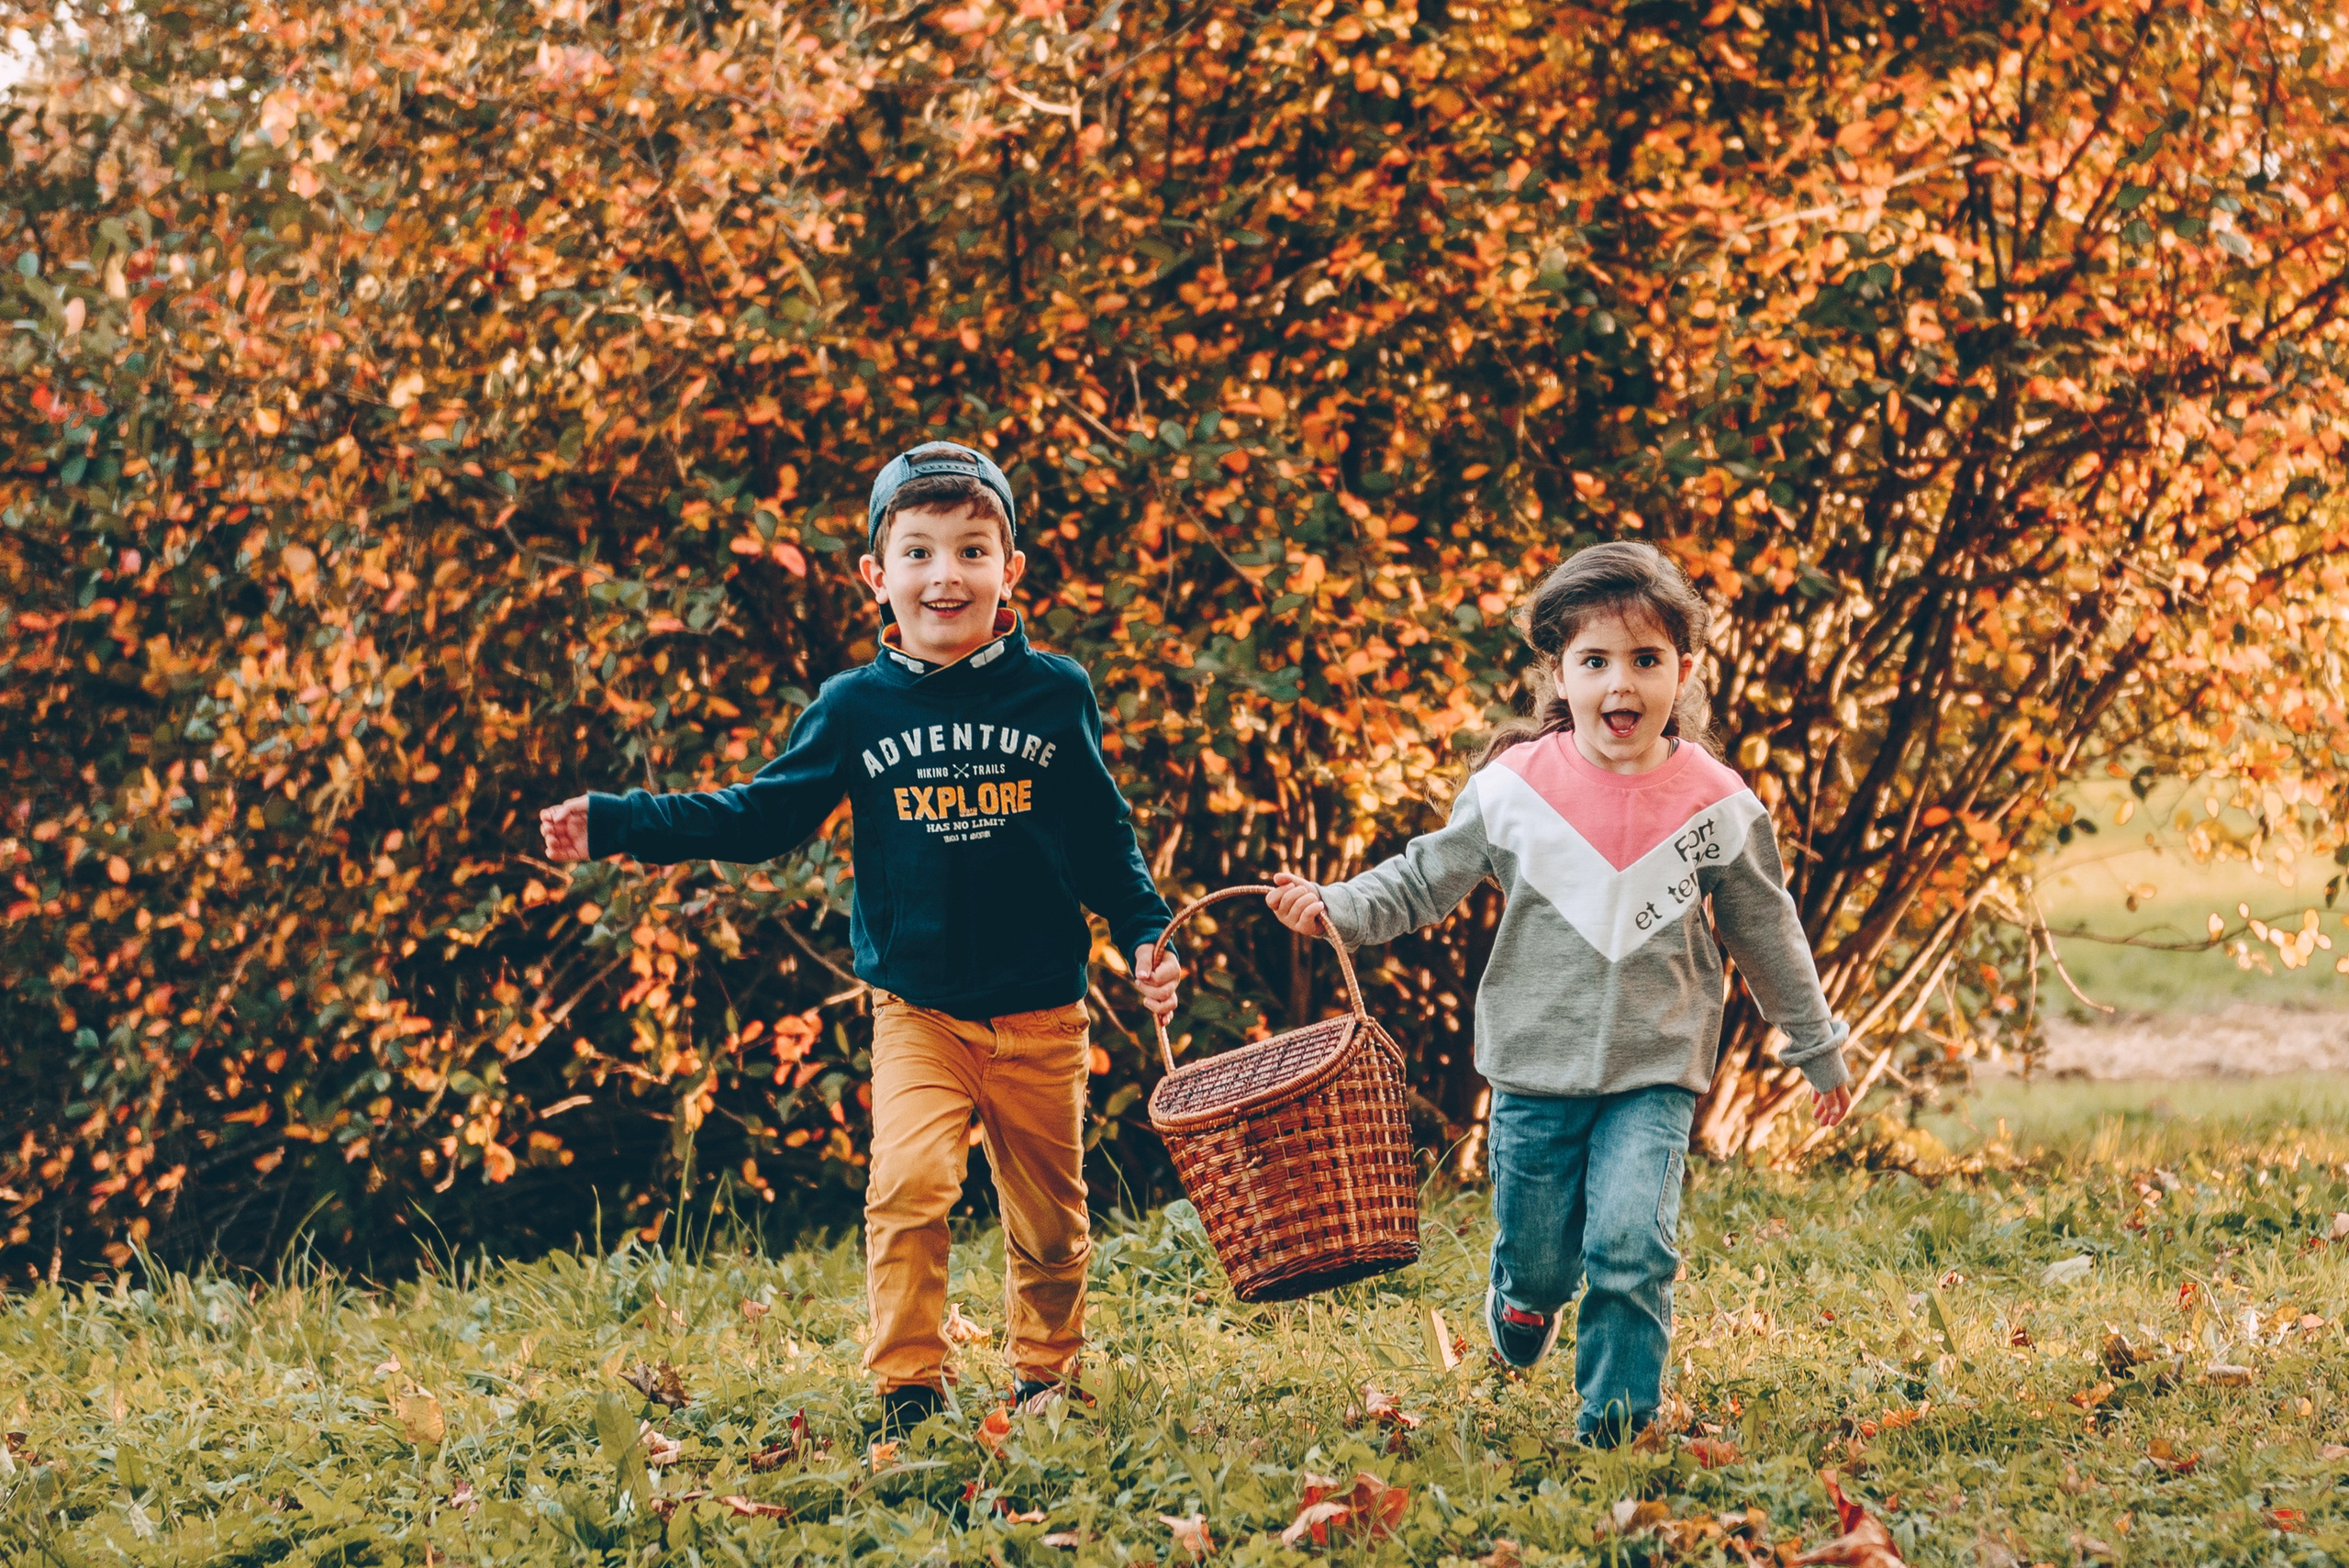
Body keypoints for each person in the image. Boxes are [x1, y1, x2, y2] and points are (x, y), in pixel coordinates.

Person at [540, 441, 1183, 1435]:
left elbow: (1102, 835)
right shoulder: (854, 707)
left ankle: (1046, 1373)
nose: (945, 574)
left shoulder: (1055, 693)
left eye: (971, 550)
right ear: (876, 577)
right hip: (918, 1008)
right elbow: (759, 816)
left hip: (1044, 1009)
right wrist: (620, 820)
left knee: (1052, 1220)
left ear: (1009, 570)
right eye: (918, 553)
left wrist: (1145, 927)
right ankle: (908, 1388)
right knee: (912, 1186)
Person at [1264, 540, 1851, 1446]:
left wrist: (1813, 1045)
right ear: (1560, 671)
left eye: (1645, 659)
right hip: (1534, 1067)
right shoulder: (1514, 790)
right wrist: (1332, 907)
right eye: (1596, 660)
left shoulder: (1716, 802)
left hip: (1655, 1065)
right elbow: (1423, 879)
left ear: (1683, 671)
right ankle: (1523, 1296)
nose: (1622, 682)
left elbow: (1764, 929)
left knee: (1630, 1244)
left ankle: (1615, 1422)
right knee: (1541, 1254)